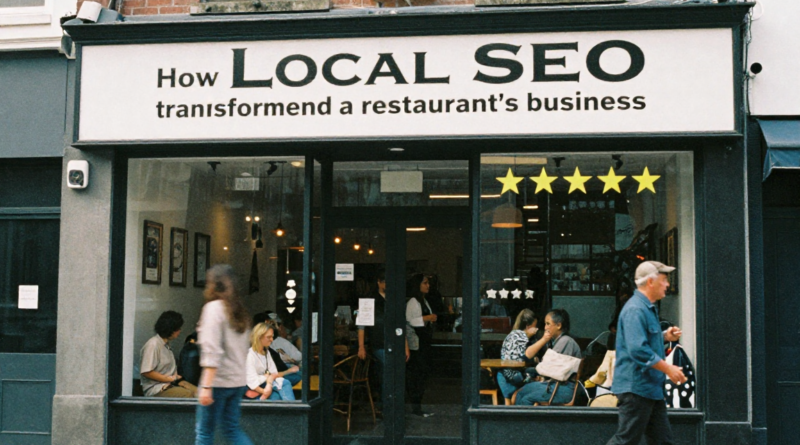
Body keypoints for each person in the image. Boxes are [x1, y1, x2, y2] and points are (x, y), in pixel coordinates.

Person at [606, 261, 685, 445]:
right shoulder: (636, 309)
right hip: (637, 388)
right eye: (664, 280)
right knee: (626, 440)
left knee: (662, 441)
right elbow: (638, 350)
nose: (667, 284)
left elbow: (642, 340)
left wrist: (665, 336)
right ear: (650, 282)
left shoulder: (646, 308)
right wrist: (668, 369)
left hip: (648, 387)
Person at [195, 265, 253, 445]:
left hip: (218, 382)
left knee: (204, 433)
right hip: (237, 381)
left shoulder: (213, 309)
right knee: (232, 429)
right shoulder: (239, 311)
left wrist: (206, 386)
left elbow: (212, 350)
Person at [357, 270, 410, 410]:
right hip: (378, 341)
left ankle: (391, 404)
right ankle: (387, 405)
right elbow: (361, 325)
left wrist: (405, 345)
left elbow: (400, 324)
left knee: (392, 372)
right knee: (389, 370)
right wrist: (361, 346)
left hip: (395, 342)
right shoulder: (369, 300)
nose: (388, 284)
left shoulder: (395, 300)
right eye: (385, 281)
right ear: (378, 283)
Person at [514, 309, 582, 406]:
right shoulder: (557, 341)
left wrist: (531, 370)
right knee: (521, 392)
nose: (545, 327)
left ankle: (526, 417)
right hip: (555, 385)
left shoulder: (565, 341)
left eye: (548, 324)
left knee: (526, 399)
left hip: (564, 388)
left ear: (559, 325)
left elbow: (547, 366)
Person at [140, 310, 197, 398]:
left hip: (171, 384)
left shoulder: (166, 346)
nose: (180, 331)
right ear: (170, 329)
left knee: (201, 393)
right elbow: (147, 372)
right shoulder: (153, 344)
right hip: (157, 389)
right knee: (188, 395)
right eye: (178, 329)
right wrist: (169, 379)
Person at [405, 273, 437, 417]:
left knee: (421, 374)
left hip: (423, 342)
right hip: (417, 344)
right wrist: (427, 318)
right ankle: (415, 406)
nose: (428, 286)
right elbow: (410, 321)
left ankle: (418, 405)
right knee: (417, 375)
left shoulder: (423, 300)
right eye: (425, 283)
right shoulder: (413, 301)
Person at [245, 322, 299, 401]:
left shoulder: (266, 352)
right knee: (285, 383)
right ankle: (292, 409)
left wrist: (269, 383)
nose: (272, 340)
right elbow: (252, 382)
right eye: (269, 337)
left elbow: (274, 373)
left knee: (276, 396)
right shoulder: (250, 355)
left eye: (272, 337)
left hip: (267, 383)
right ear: (259, 337)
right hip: (257, 388)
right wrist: (265, 391)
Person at [497, 309, 540, 405]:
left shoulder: (511, 334)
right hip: (516, 376)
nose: (537, 329)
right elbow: (526, 358)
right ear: (528, 326)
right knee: (539, 373)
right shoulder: (522, 337)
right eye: (535, 326)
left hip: (504, 375)